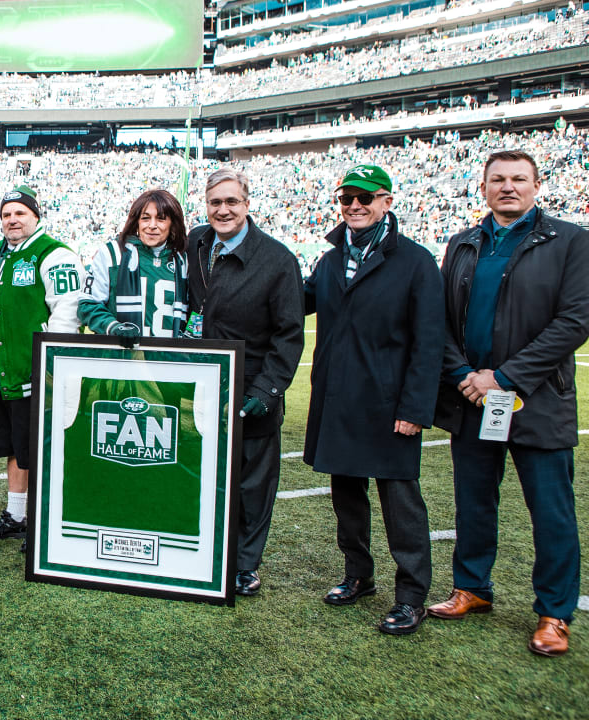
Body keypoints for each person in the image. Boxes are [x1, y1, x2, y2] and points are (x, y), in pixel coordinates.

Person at [428, 150, 589, 657]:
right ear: (482, 186)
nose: (508, 187)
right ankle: (472, 587)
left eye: (519, 179)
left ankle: (554, 613)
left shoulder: (571, 241)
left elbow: (575, 321)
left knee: (552, 511)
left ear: (537, 185)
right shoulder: (463, 242)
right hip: (472, 399)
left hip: (538, 400)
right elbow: (443, 323)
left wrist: (505, 376)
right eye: (497, 178)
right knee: (474, 501)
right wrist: (464, 375)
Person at [303, 165, 444, 635]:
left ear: (387, 201)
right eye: (347, 199)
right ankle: (358, 574)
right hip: (338, 400)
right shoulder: (328, 259)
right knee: (346, 497)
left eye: (365, 198)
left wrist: (415, 408)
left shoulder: (416, 261)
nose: (355, 206)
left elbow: (430, 342)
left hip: (389, 406)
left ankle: (411, 596)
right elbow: (289, 301)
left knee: (401, 503)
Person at [186, 168, 304, 596]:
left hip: (251, 389)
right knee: (201, 474)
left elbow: (289, 335)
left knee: (252, 484)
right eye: (215, 202)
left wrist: (267, 391)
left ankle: (246, 564)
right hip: (201, 386)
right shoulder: (197, 242)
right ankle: (204, 550)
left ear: (247, 203)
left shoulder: (277, 260)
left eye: (231, 201)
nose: (223, 210)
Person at [0, 186, 82, 543]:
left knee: (37, 449)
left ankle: (43, 521)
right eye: (6, 214)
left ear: (36, 216)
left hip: (31, 371)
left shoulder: (53, 254)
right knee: (14, 449)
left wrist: (53, 364)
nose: (12, 220)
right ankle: (17, 515)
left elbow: (68, 310)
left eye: (20, 213)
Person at [78, 188, 188, 339]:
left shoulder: (182, 261)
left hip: (166, 359)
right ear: (136, 221)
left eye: (161, 218)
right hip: (121, 358)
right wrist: (114, 327)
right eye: (145, 218)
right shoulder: (112, 254)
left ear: (173, 224)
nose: (152, 225)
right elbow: (87, 305)